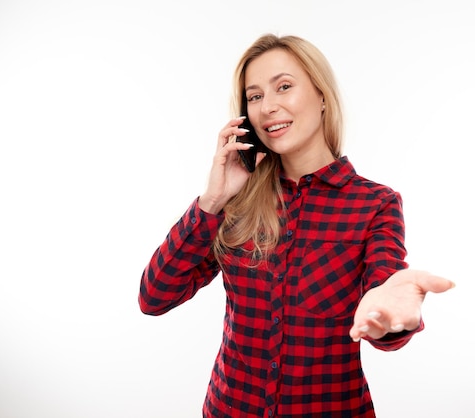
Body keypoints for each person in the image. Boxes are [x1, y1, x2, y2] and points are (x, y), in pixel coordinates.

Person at [139, 33, 454, 418]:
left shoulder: (375, 204)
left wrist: (390, 316)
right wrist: (212, 200)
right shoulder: (236, 204)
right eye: (254, 97)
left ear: (321, 96)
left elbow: (385, 301)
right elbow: (154, 297)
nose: (267, 107)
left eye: (283, 87)